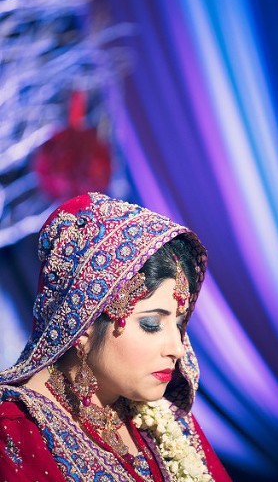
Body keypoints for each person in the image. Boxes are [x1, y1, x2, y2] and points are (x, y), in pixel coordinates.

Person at [0, 192, 231, 481]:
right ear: (82, 323)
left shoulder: (165, 419)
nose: (177, 348)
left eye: (180, 324)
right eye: (151, 323)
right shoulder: (14, 432)